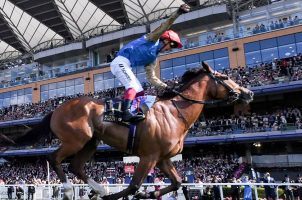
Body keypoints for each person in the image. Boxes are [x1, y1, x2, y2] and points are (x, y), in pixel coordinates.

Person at [110, 4, 190, 122]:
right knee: (132, 86)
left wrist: (167, 87)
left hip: (125, 66)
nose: (170, 49)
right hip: (119, 62)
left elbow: (151, 78)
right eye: (171, 45)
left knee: (140, 91)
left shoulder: (153, 59)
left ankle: (129, 112)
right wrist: (178, 13)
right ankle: (126, 113)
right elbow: (165, 25)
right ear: (166, 40)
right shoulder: (153, 38)